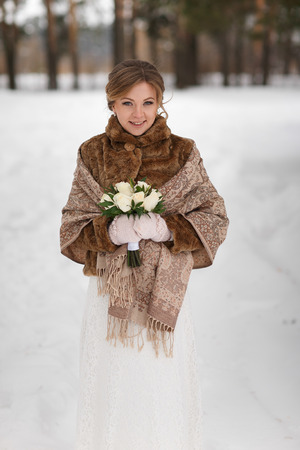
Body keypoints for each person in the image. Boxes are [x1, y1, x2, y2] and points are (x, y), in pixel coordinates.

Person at [60, 59, 229, 450]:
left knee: (158, 378)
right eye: (127, 103)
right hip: (109, 294)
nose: (138, 114)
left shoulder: (183, 153)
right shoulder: (93, 153)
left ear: (161, 103)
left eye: (148, 102)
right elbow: (71, 227)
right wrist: (109, 231)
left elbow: (215, 217)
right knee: (113, 376)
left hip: (164, 293)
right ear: (111, 104)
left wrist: (166, 228)